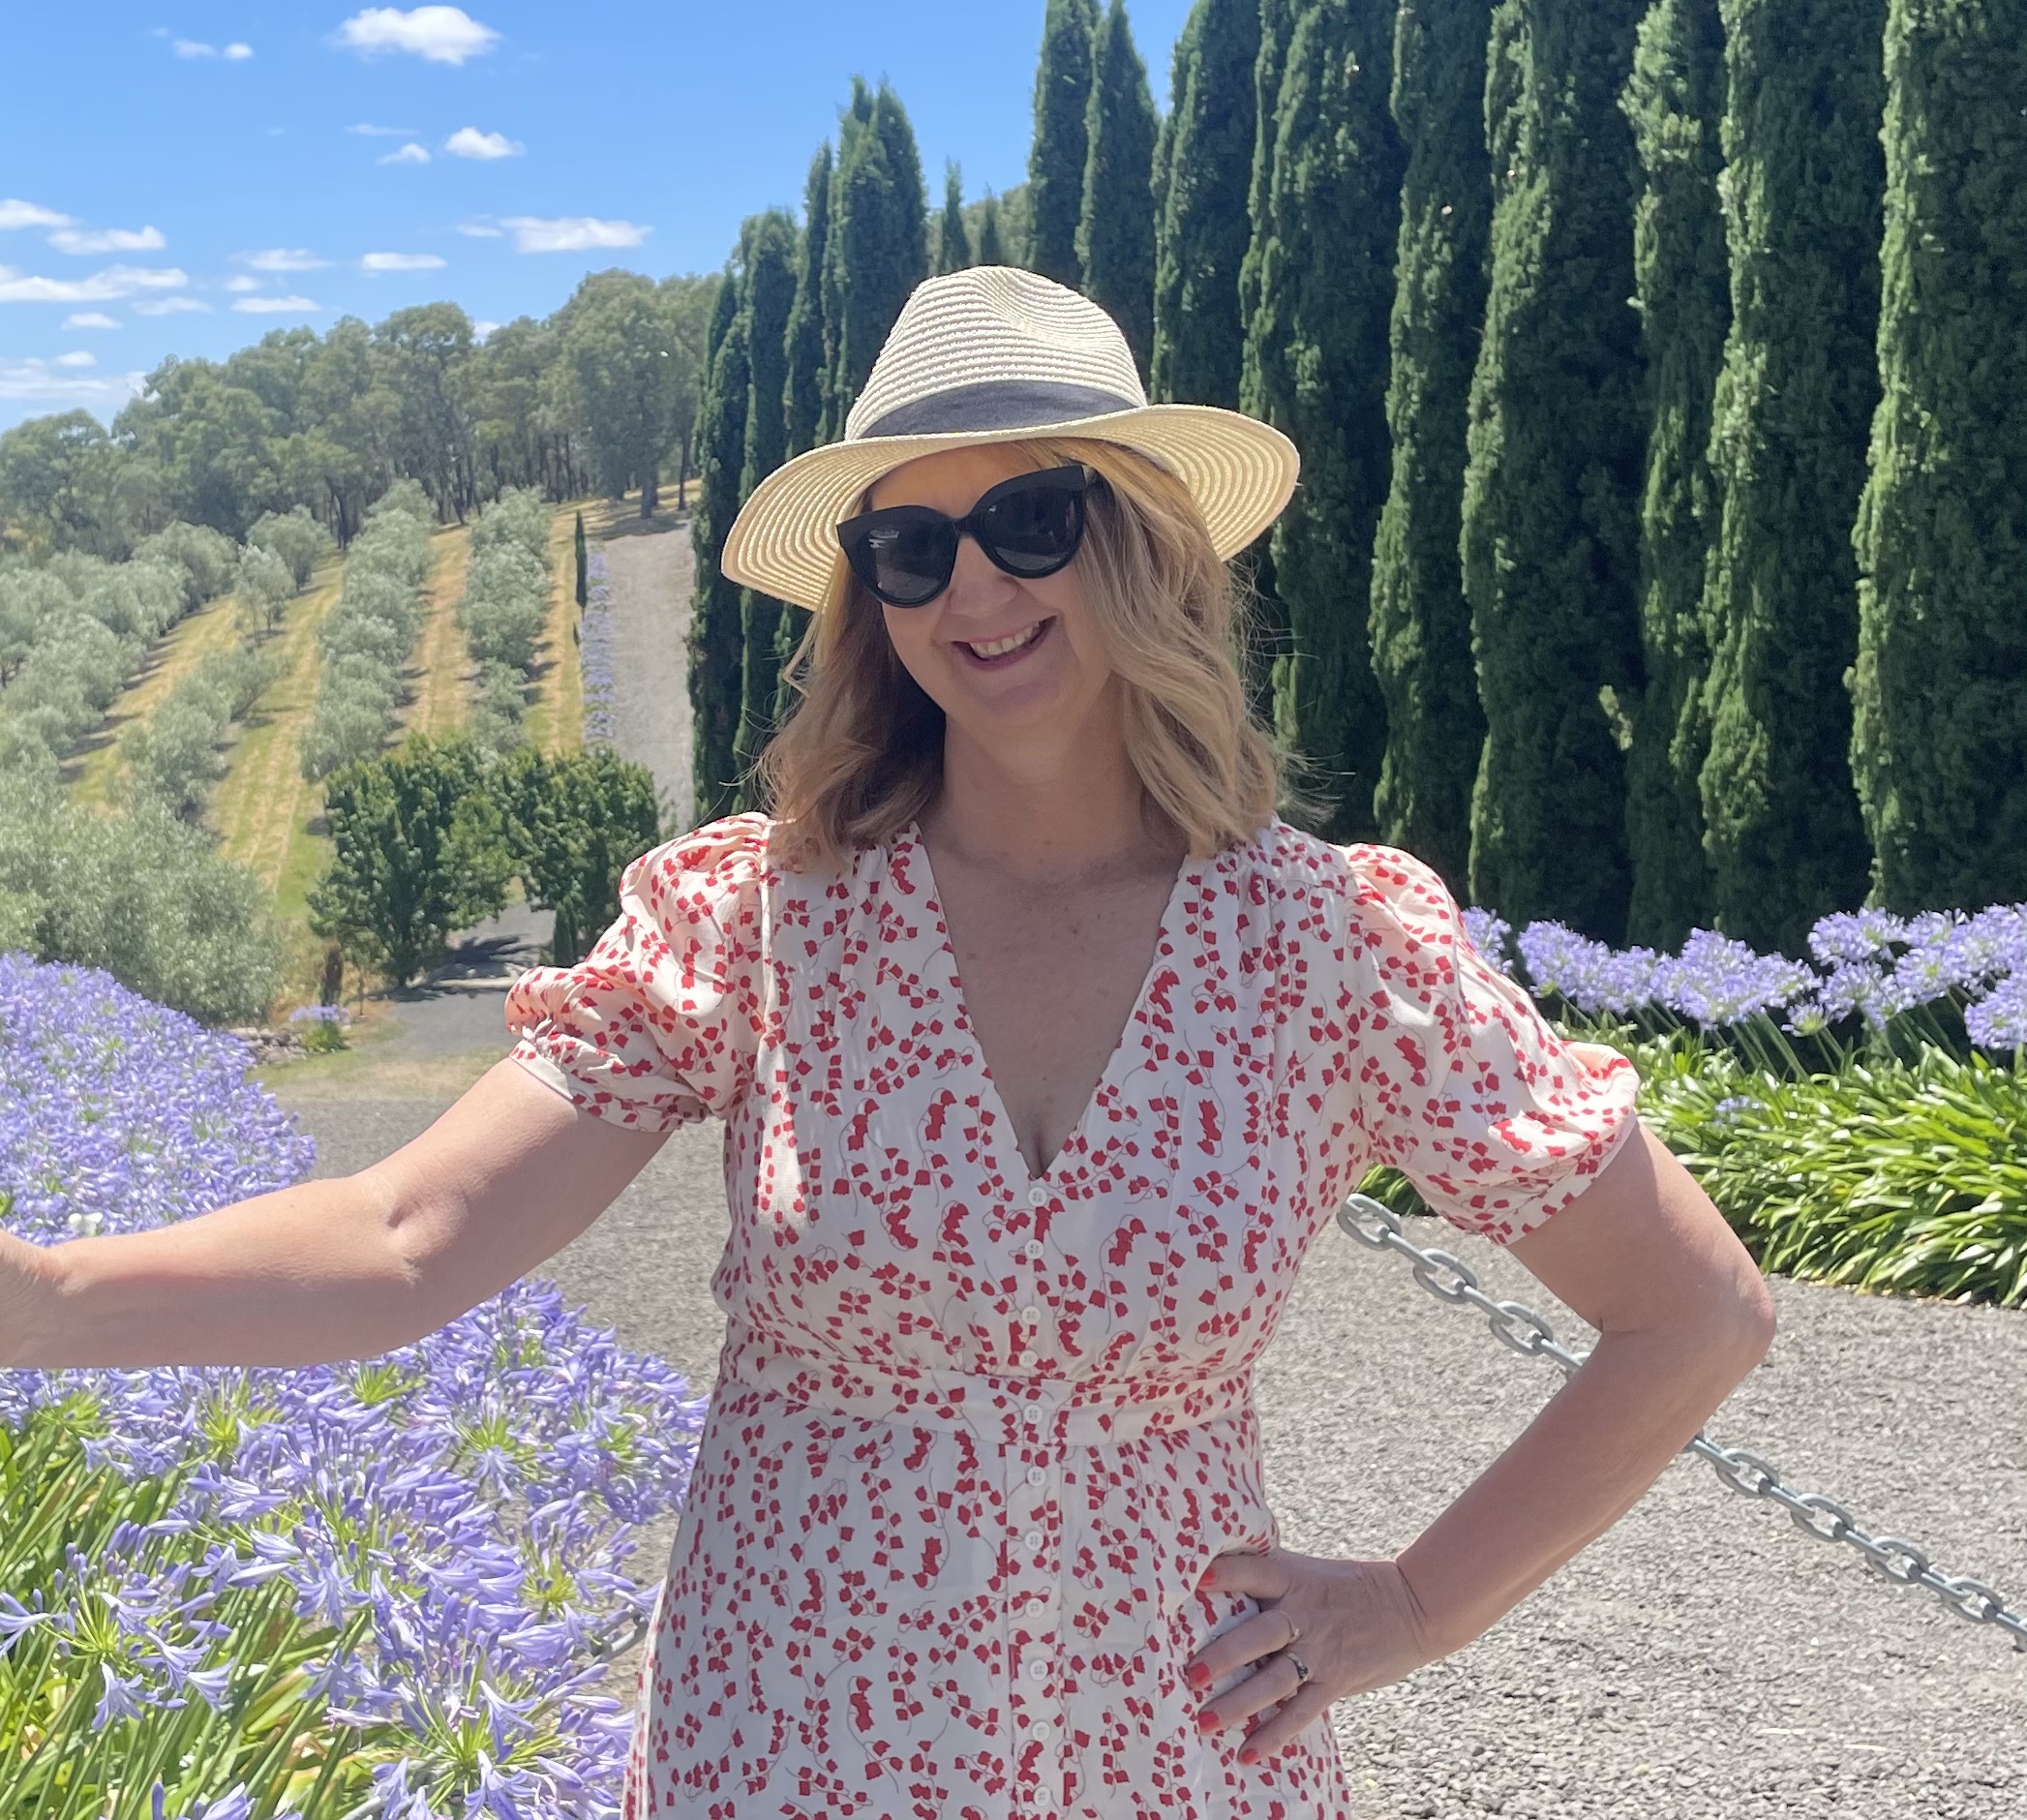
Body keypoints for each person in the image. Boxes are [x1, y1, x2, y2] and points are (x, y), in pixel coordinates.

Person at [0, 266, 1774, 1819]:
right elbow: (407, 1238)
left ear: (1144, 539)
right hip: (783, 1750)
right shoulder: (755, 919)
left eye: (1032, 520)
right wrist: (45, 1298)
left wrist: (1411, 1605)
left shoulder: (1325, 943)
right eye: (909, 544)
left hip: (1168, 1760)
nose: (969, 587)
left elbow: (1693, 1310)